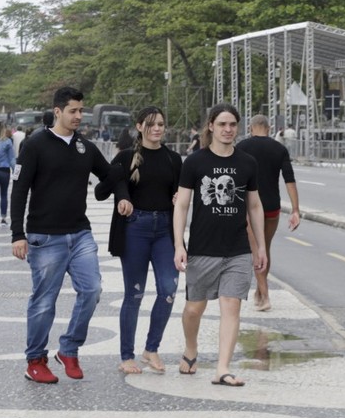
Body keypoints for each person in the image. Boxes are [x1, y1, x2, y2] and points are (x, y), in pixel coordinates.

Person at [11, 86, 131, 384]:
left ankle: (69, 348)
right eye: (73, 111)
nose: (79, 116)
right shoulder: (35, 144)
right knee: (44, 301)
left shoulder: (85, 147)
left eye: (81, 111)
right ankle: (35, 359)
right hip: (45, 236)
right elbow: (19, 189)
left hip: (80, 234)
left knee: (92, 291)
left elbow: (110, 175)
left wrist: (125, 184)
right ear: (58, 112)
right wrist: (17, 233)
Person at [172, 102, 267, 387]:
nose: (228, 130)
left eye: (233, 125)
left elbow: (254, 205)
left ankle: (222, 368)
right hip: (202, 249)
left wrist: (260, 246)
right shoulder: (195, 162)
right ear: (211, 126)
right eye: (222, 124)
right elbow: (182, 206)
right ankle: (191, 349)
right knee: (193, 309)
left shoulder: (247, 163)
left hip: (237, 249)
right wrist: (179, 244)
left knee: (231, 306)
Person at [96, 106, 181, 375]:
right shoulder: (125, 157)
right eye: (152, 124)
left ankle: (151, 348)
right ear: (140, 126)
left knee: (168, 289)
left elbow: (180, 193)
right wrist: (121, 194)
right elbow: (101, 190)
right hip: (135, 229)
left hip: (164, 229)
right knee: (134, 293)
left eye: (161, 124)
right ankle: (126, 355)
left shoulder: (173, 159)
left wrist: (179, 200)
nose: (157, 129)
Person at [236, 114, 301, 311]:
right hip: (272, 205)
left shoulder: (242, 148)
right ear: (269, 127)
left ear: (250, 128)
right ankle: (259, 291)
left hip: (249, 205)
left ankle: (265, 295)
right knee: (266, 248)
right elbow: (289, 180)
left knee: (256, 250)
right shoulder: (279, 149)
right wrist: (296, 210)